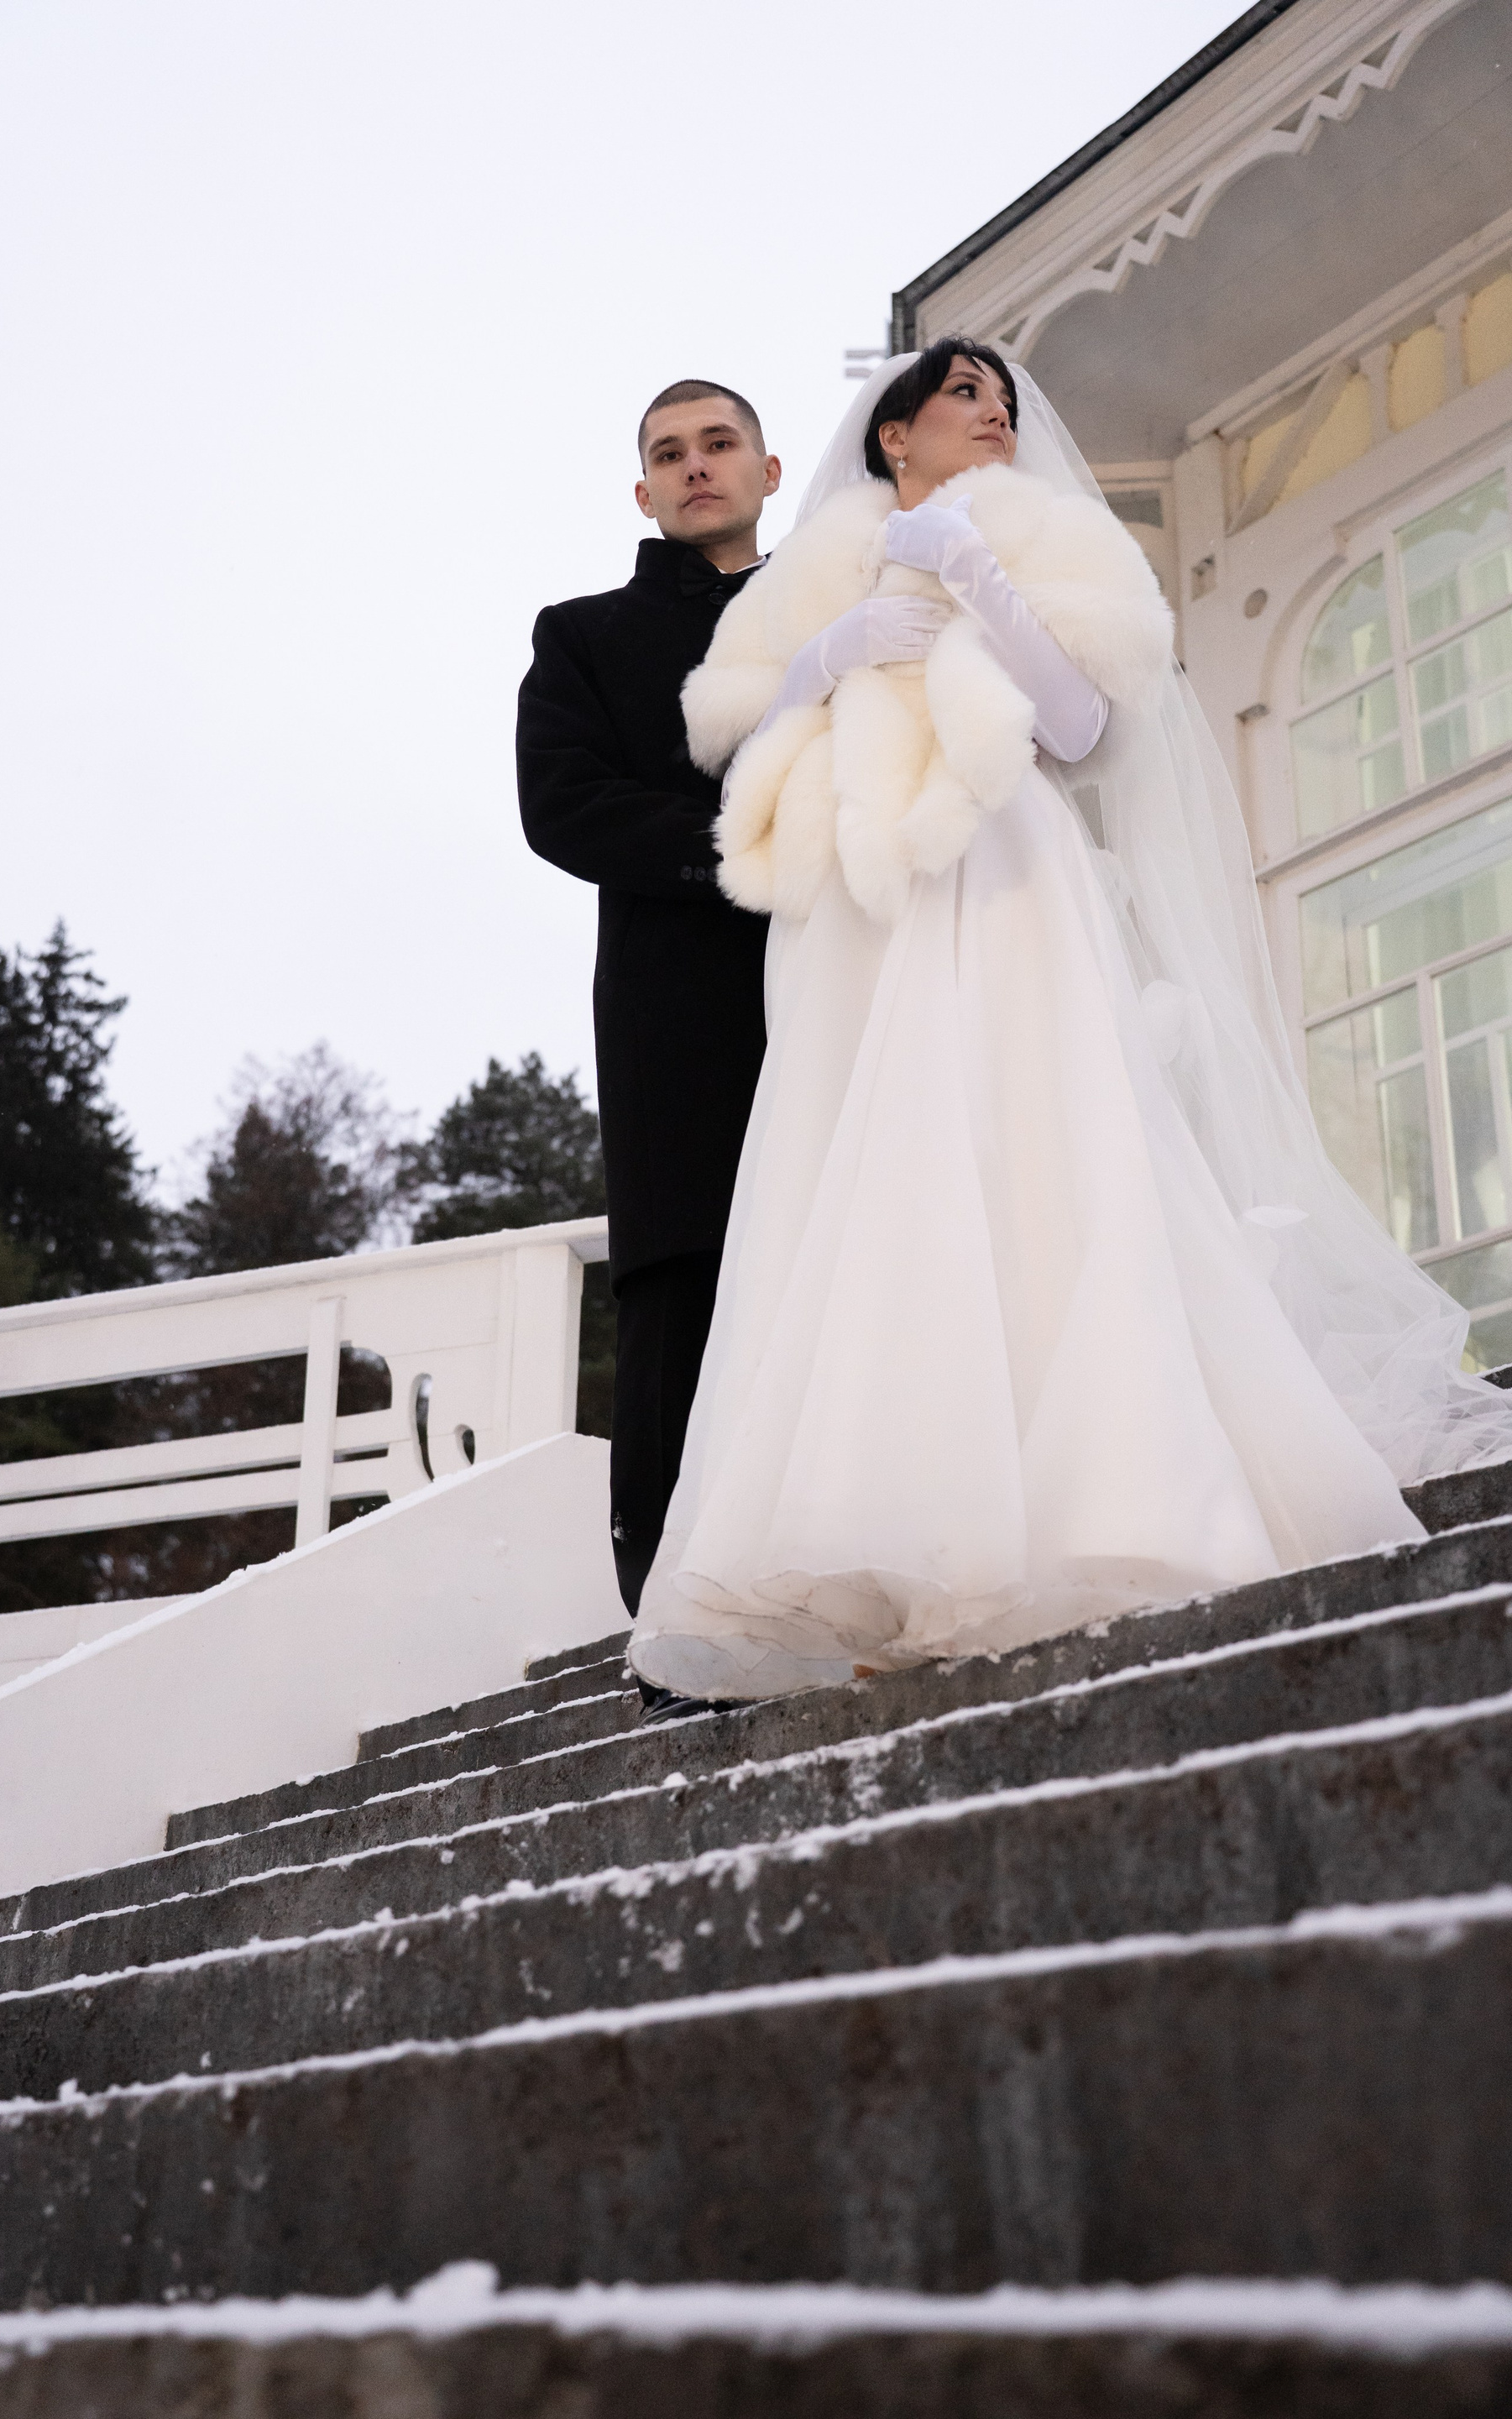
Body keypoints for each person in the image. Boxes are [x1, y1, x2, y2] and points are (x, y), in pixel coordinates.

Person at [629, 340, 1512, 1705]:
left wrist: (983, 576)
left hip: (1008, 872)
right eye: (963, 397)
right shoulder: (816, 567)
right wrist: (827, 654)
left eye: (1002, 399)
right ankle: (890, 1531)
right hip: (864, 912)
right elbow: (731, 739)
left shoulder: (1049, 537)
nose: (995, 414)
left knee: (1041, 1147)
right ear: (893, 435)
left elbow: (1086, 729)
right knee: (877, 1186)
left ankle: (1096, 1496)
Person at [518, 379, 950, 1710]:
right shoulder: (584, 635)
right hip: (681, 1013)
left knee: (860, 1261)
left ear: (770, 470)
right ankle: (675, 1618)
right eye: (669, 452)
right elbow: (564, 807)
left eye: (718, 444)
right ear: (642, 489)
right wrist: (751, 844)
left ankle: (871, 1574)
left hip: (848, 980)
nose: (695, 466)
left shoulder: (843, 600)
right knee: (686, 1288)